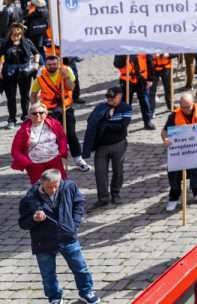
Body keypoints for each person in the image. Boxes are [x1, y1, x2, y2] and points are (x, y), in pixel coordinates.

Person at [18, 168, 99, 304]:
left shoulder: (69, 187)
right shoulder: (30, 198)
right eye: (49, 187)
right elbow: (23, 223)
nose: (53, 190)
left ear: (60, 181)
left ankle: (86, 292)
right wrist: (34, 219)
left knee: (80, 268)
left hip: (67, 236)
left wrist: (74, 223)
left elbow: (79, 203)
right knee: (48, 274)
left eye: (56, 186)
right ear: (41, 183)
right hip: (43, 241)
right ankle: (54, 297)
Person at [32, 52, 87, 171]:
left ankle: (78, 159)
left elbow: (71, 87)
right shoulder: (41, 74)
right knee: (52, 137)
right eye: (49, 64)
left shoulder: (66, 70)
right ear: (45, 65)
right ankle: (55, 161)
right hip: (49, 111)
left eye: (54, 64)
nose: (52, 66)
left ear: (58, 63)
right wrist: (34, 107)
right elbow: (34, 93)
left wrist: (66, 76)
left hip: (66, 108)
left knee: (71, 135)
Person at [80, 86, 132, 207]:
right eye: (108, 97)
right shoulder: (100, 107)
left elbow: (122, 126)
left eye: (112, 97)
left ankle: (115, 193)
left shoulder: (126, 108)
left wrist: (106, 125)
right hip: (101, 146)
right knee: (100, 172)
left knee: (118, 170)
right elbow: (91, 123)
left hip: (118, 144)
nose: (109, 99)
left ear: (119, 97)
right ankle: (103, 197)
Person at [161, 92, 197, 212]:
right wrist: (165, 139)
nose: (185, 110)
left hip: (195, 147)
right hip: (179, 149)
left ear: (192, 103)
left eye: (187, 107)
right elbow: (164, 131)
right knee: (174, 173)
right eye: (183, 107)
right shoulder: (174, 115)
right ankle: (174, 196)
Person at [10, 103, 68, 183]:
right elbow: (15, 150)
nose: (38, 115)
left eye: (41, 113)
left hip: (54, 161)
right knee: (39, 188)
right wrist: (27, 163)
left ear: (46, 113)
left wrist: (62, 152)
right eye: (34, 113)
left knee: (60, 184)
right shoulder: (23, 131)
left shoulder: (54, 124)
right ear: (29, 115)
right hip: (35, 165)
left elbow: (62, 138)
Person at [2, 23, 39, 127]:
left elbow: (36, 52)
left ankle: (25, 116)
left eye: (18, 34)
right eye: (14, 34)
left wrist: (36, 64)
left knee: (25, 96)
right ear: (10, 34)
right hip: (9, 72)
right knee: (11, 97)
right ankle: (12, 119)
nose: (16, 37)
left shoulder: (27, 42)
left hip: (25, 72)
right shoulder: (5, 44)